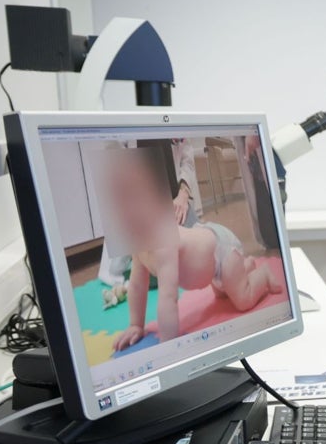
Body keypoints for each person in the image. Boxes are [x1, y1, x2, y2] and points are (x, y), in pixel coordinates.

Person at [104, 146, 282, 351]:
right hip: (207, 257)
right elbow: (137, 285)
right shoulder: (139, 243)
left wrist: (167, 348)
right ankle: (246, 266)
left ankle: (264, 274)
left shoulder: (164, 242)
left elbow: (169, 298)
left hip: (221, 250)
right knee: (223, 295)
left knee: (243, 299)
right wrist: (136, 325)